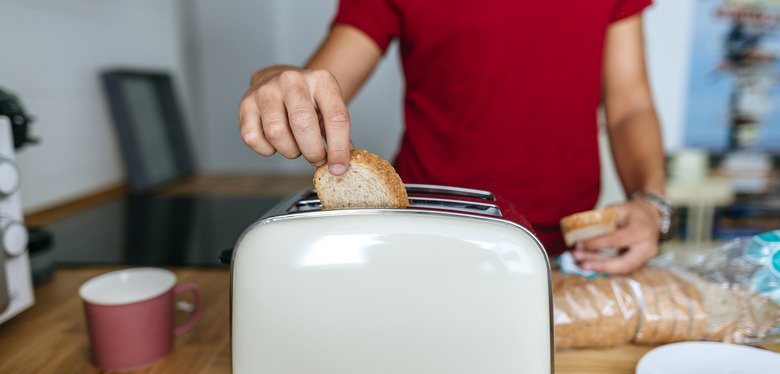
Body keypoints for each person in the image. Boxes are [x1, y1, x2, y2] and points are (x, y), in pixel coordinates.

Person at [238, 0, 667, 275]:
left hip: (569, 255)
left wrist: (652, 203)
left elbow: (630, 104)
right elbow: (314, 93)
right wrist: (276, 82)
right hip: (423, 245)